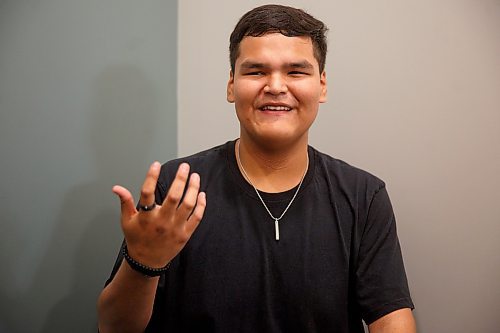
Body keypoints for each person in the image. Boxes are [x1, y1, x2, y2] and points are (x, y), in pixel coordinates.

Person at [97, 4, 416, 333]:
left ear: (321, 85)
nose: (276, 86)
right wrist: (143, 264)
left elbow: (392, 319)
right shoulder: (179, 189)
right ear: (231, 85)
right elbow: (113, 328)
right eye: (256, 71)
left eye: (295, 72)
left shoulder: (363, 196)